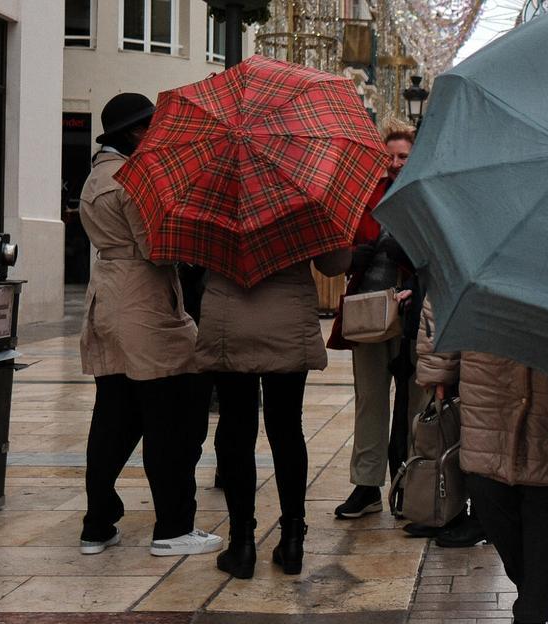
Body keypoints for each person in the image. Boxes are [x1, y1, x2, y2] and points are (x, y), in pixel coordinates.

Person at [78, 93, 222, 557]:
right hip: (144, 302)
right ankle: (173, 527)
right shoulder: (135, 178)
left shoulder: (96, 175)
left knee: (113, 419)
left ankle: (97, 524)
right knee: (170, 420)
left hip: (107, 297)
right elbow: (158, 248)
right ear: (137, 133)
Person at [417, 300, 548, 624]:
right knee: (491, 505)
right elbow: (447, 292)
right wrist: (439, 366)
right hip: (489, 377)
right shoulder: (479, 240)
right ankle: (534, 600)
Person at [196, 247, 351, 578]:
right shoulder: (301, 196)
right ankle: (293, 537)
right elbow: (335, 265)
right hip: (289, 321)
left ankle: (242, 545)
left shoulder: (217, 197)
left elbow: (199, 255)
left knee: (236, 425)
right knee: (287, 427)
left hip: (230, 320)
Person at [331, 123, 427, 520]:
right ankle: (367, 484)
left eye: (402, 156)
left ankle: (413, 484)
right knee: (370, 400)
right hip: (368, 311)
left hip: (411, 315)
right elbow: (344, 247)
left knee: (416, 406)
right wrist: (358, 254)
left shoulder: (425, 196)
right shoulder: (366, 196)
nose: (394, 164)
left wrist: (408, 257)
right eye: (389, 156)